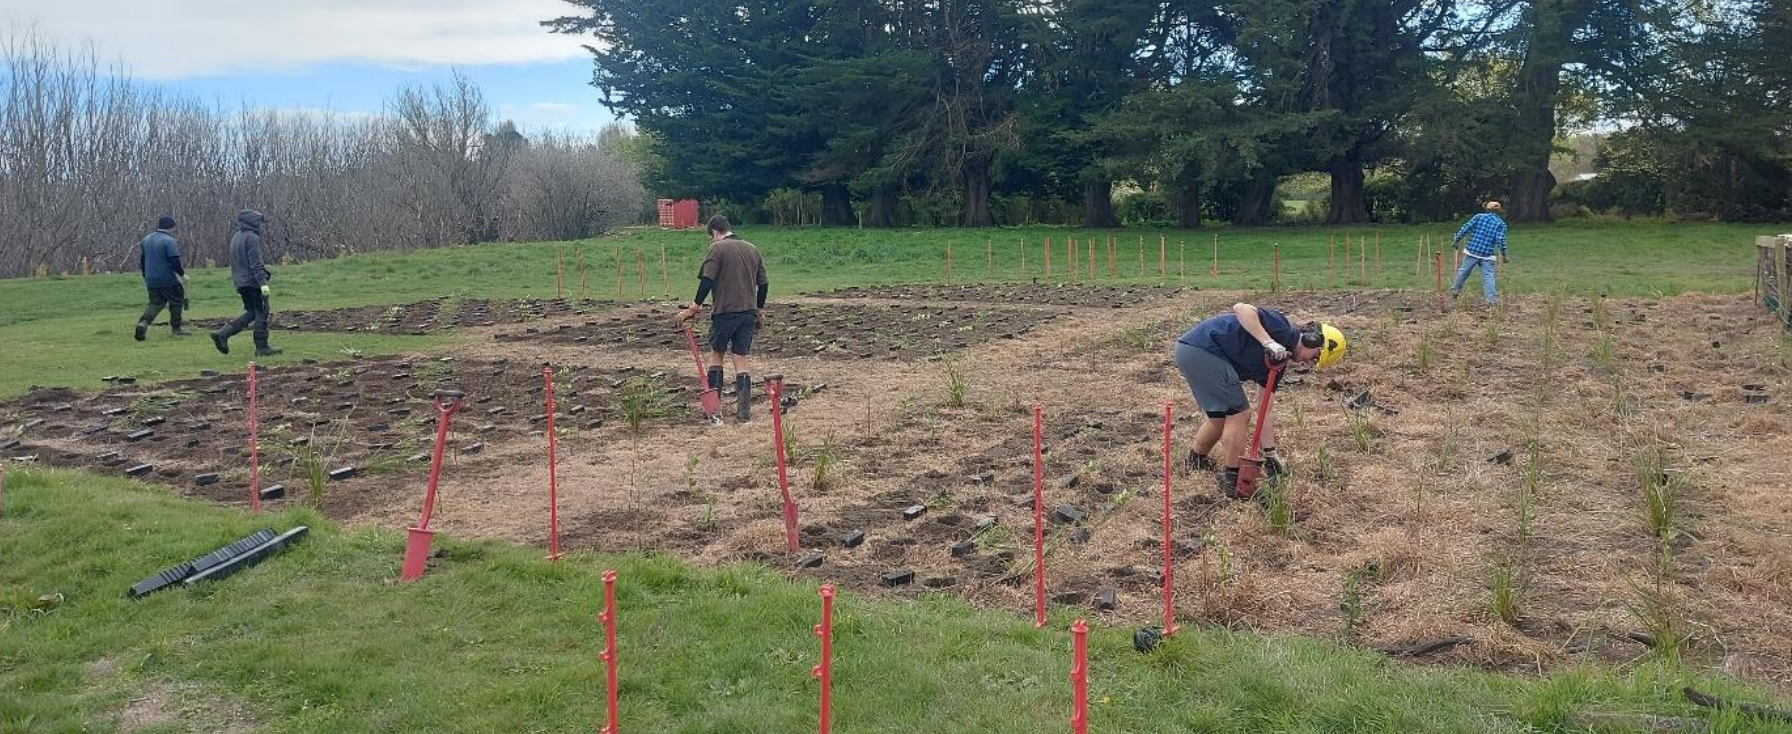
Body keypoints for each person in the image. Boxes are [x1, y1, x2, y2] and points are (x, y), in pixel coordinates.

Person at [1174, 303, 1346, 497]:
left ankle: (1196, 460)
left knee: (1220, 418)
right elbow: (1241, 308)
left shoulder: (1278, 363)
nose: (1309, 363)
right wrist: (1267, 342)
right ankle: (1232, 479)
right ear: (1312, 340)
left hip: (1193, 351)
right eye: (1315, 358)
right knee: (1239, 414)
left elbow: (1265, 409)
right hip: (1202, 348)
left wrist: (1271, 453)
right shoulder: (1283, 329)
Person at [675, 216, 769, 422]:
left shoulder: (717, 249)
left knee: (717, 354)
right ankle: (743, 413)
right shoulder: (752, 249)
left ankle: (715, 410)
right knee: (740, 358)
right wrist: (759, 309)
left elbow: (707, 280)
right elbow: (763, 284)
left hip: (725, 312)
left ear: (715, 232)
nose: (712, 240)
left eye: (711, 237)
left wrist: (695, 306)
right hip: (748, 313)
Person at [209, 210, 281, 357]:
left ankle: (223, 334)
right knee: (262, 312)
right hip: (253, 282)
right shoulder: (252, 238)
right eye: (259, 222)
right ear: (254, 223)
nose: (261, 225)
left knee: (252, 312)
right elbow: (255, 263)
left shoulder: (236, 236)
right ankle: (262, 348)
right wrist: (263, 283)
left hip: (240, 281)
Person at [134, 216, 190, 341]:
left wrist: (145, 274)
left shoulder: (146, 240)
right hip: (167, 279)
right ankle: (176, 329)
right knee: (176, 300)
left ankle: (143, 323)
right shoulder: (169, 241)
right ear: (172, 226)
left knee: (155, 303)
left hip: (151, 279)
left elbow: (143, 260)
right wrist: (182, 274)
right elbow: (174, 261)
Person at [1450, 201, 1509, 307]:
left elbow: (1465, 228)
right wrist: (1504, 255)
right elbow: (1500, 240)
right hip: (1487, 254)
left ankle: (1455, 291)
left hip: (1472, 251)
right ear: (1499, 211)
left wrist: (1456, 241)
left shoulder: (1479, 217)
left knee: (1463, 272)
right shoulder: (1501, 224)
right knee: (1488, 277)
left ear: (1487, 209)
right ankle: (1491, 301)